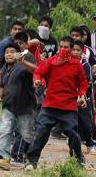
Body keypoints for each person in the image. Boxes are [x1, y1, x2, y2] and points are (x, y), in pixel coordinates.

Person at [26, 37, 88, 170]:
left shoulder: (76, 65)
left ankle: (78, 160)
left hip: (69, 107)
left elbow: (83, 83)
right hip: (50, 106)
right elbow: (38, 72)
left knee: (73, 133)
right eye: (61, 46)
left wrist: (82, 95)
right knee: (41, 132)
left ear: (71, 49)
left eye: (66, 47)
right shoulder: (52, 61)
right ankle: (31, 161)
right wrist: (37, 80)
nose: (63, 49)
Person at [0, 43, 37, 170]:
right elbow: (3, 86)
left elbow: (36, 70)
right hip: (9, 106)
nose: (9, 54)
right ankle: (4, 159)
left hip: (26, 107)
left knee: (26, 135)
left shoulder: (22, 66)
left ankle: (30, 161)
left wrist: (24, 62)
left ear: (17, 54)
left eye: (12, 52)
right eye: (6, 52)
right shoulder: (4, 69)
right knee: (4, 131)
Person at [72, 40, 96, 154]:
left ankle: (90, 143)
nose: (75, 52)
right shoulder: (68, 62)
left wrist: (81, 95)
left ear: (82, 52)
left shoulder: (85, 65)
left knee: (85, 123)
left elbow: (86, 82)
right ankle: (73, 143)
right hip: (70, 97)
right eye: (74, 50)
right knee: (71, 122)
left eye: (78, 50)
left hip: (82, 98)